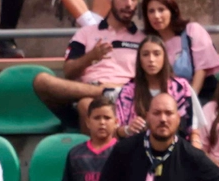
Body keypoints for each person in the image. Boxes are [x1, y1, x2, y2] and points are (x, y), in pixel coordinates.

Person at [32, 0, 142, 132]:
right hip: (87, 90)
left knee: (86, 104)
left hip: (126, 98)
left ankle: (113, 94)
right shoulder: (85, 33)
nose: (129, 4)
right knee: (41, 80)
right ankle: (107, 92)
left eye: (134, 0)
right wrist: (91, 57)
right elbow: (69, 72)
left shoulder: (144, 38)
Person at [112, 36, 200, 139]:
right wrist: (128, 129)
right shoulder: (128, 91)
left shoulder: (181, 87)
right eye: (145, 54)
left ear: (164, 57)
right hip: (138, 148)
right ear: (139, 59)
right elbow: (116, 131)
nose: (151, 59)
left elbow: (192, 126)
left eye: (157, 54)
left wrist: (195, 142)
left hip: (176, 146)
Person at [142, 0, 219, 98]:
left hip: (202, 97)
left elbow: (202, 69)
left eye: (161, 10)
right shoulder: (149, 43)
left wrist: (190, 101)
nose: (156, 16)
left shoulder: (191, 31)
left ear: (172, 11)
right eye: (151, 11)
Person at [61, 95, 119, 181]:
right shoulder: (75, 154)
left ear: (116, 122)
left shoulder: (124, 152)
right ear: (88, 122)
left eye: (107, 118)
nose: (102, 122)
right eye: (96, 118)